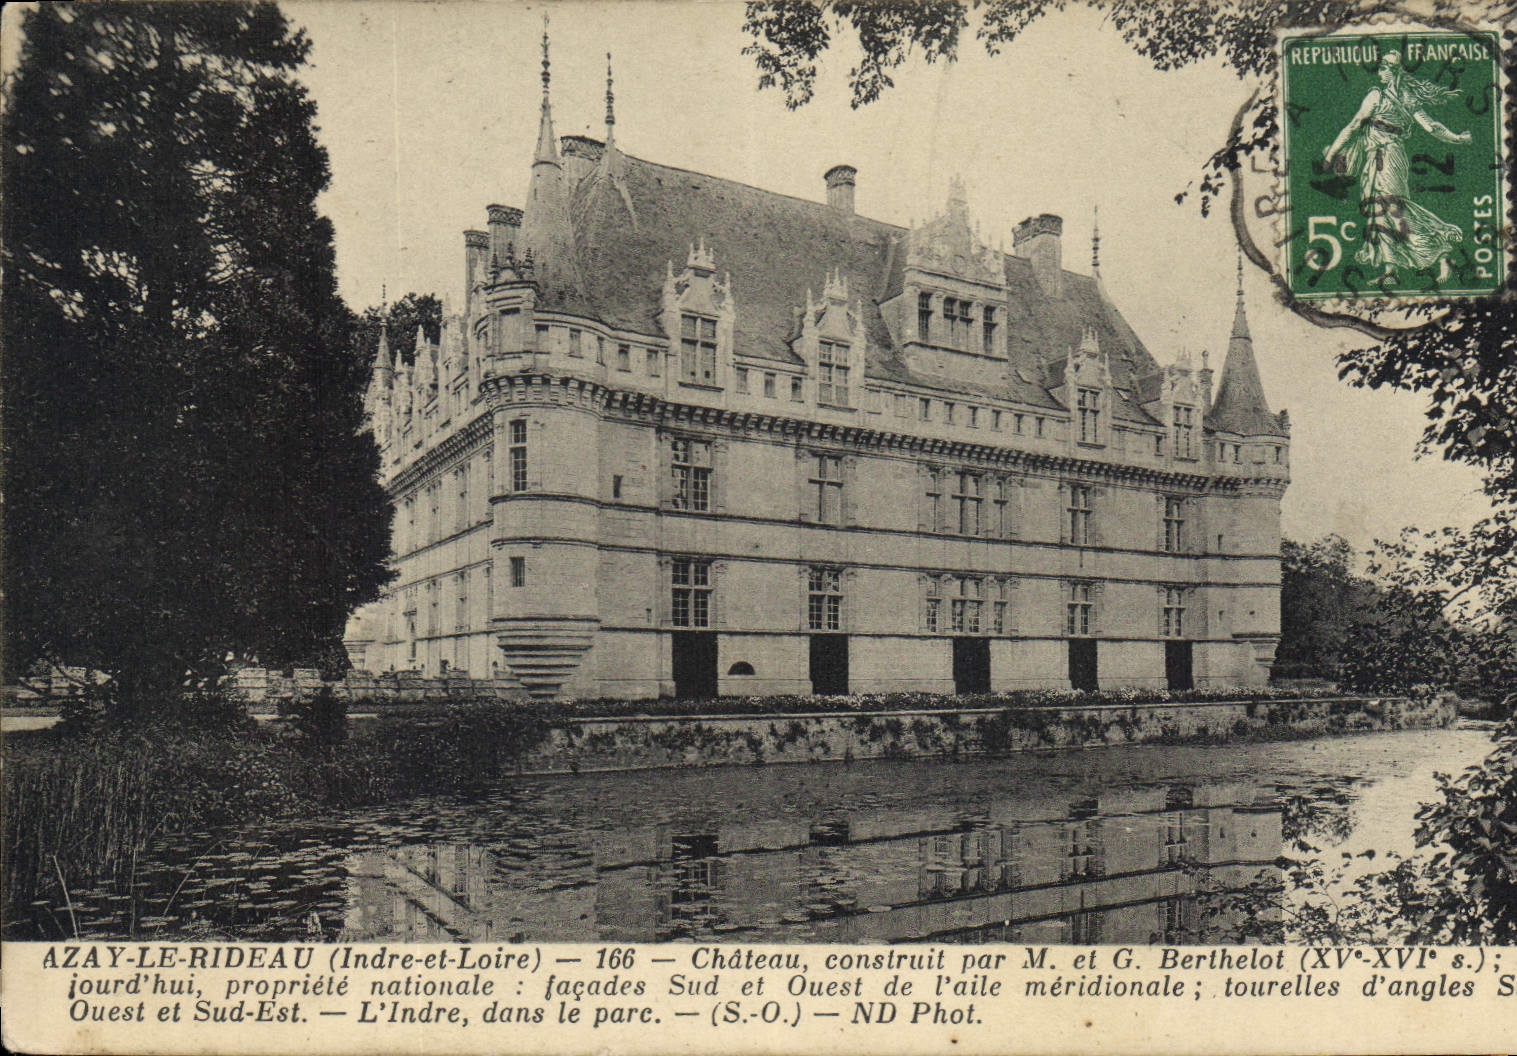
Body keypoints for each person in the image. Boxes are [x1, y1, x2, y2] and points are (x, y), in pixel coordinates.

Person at [1322, 51, 1473, 283]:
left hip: (1388, 158)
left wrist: (1330, 154)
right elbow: (1432, 127)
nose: (1379, 73)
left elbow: (1353, 126)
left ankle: (1441, 252)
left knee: (1394, 209)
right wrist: (1457, 138)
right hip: (1378, 157)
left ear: (1391, 72)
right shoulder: (1405, 97)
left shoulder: (1378, 96)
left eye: (1383, 68)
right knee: (1378, 211)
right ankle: (1390, 271)